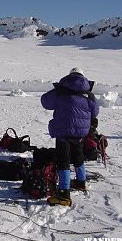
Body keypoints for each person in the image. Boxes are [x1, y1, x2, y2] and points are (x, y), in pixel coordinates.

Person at [41, 67, 99, 206]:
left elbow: (45, 102)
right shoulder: (88, 94)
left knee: (63, 161)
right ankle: (80, 182)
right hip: (80, 133)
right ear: (83, 77)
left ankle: (64, 194)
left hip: (63, 130)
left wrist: (58, 91)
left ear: (69, 76)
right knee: (78, 156)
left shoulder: (61, 90)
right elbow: (95, 112)